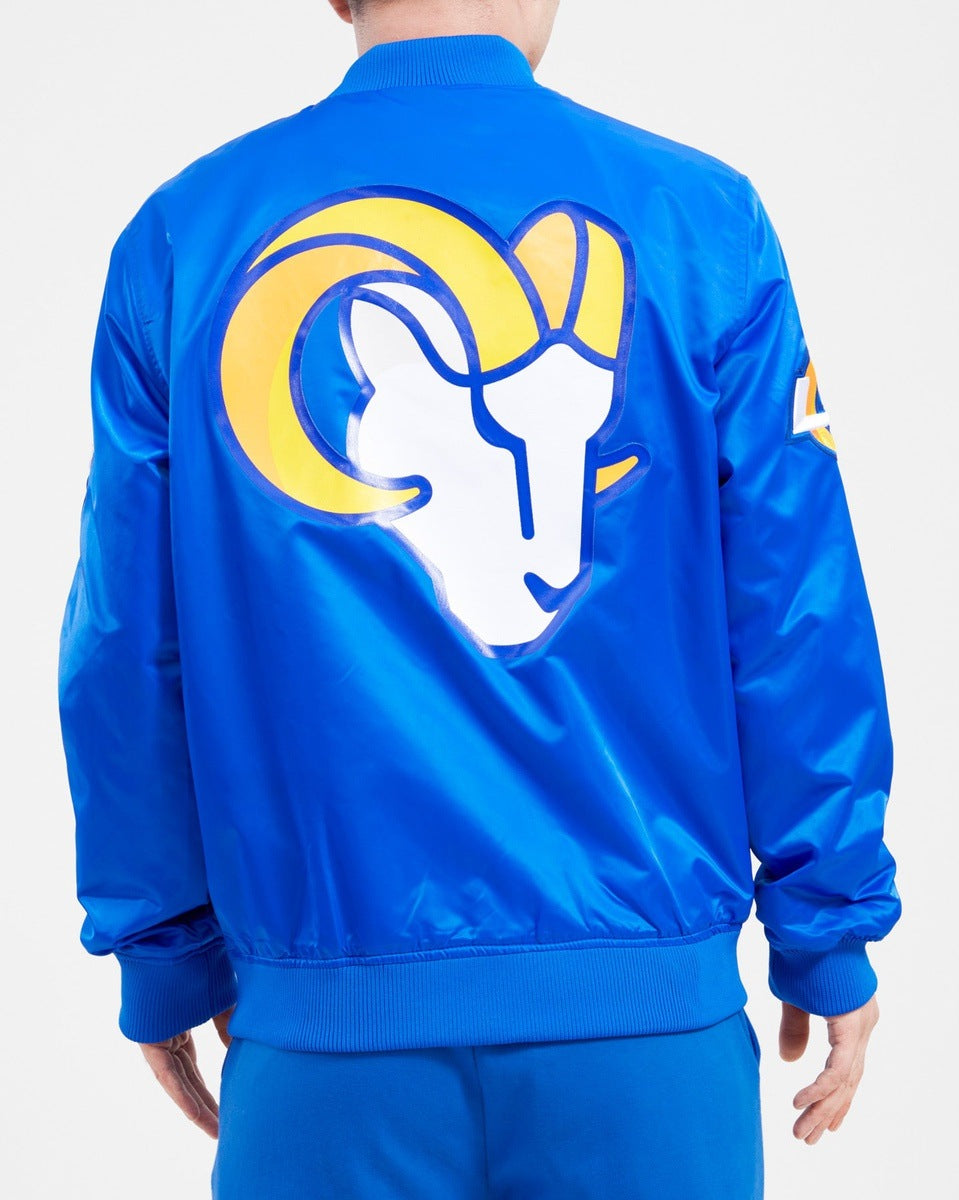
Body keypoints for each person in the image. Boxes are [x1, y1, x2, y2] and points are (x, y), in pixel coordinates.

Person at [56, 1, 901, 1196]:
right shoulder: (701, 221)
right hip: (646, 1047)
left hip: (325, 1056)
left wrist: (164, 953)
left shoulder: (186, 242)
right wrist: (829, 925)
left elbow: (123, 649)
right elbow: (795, 609)